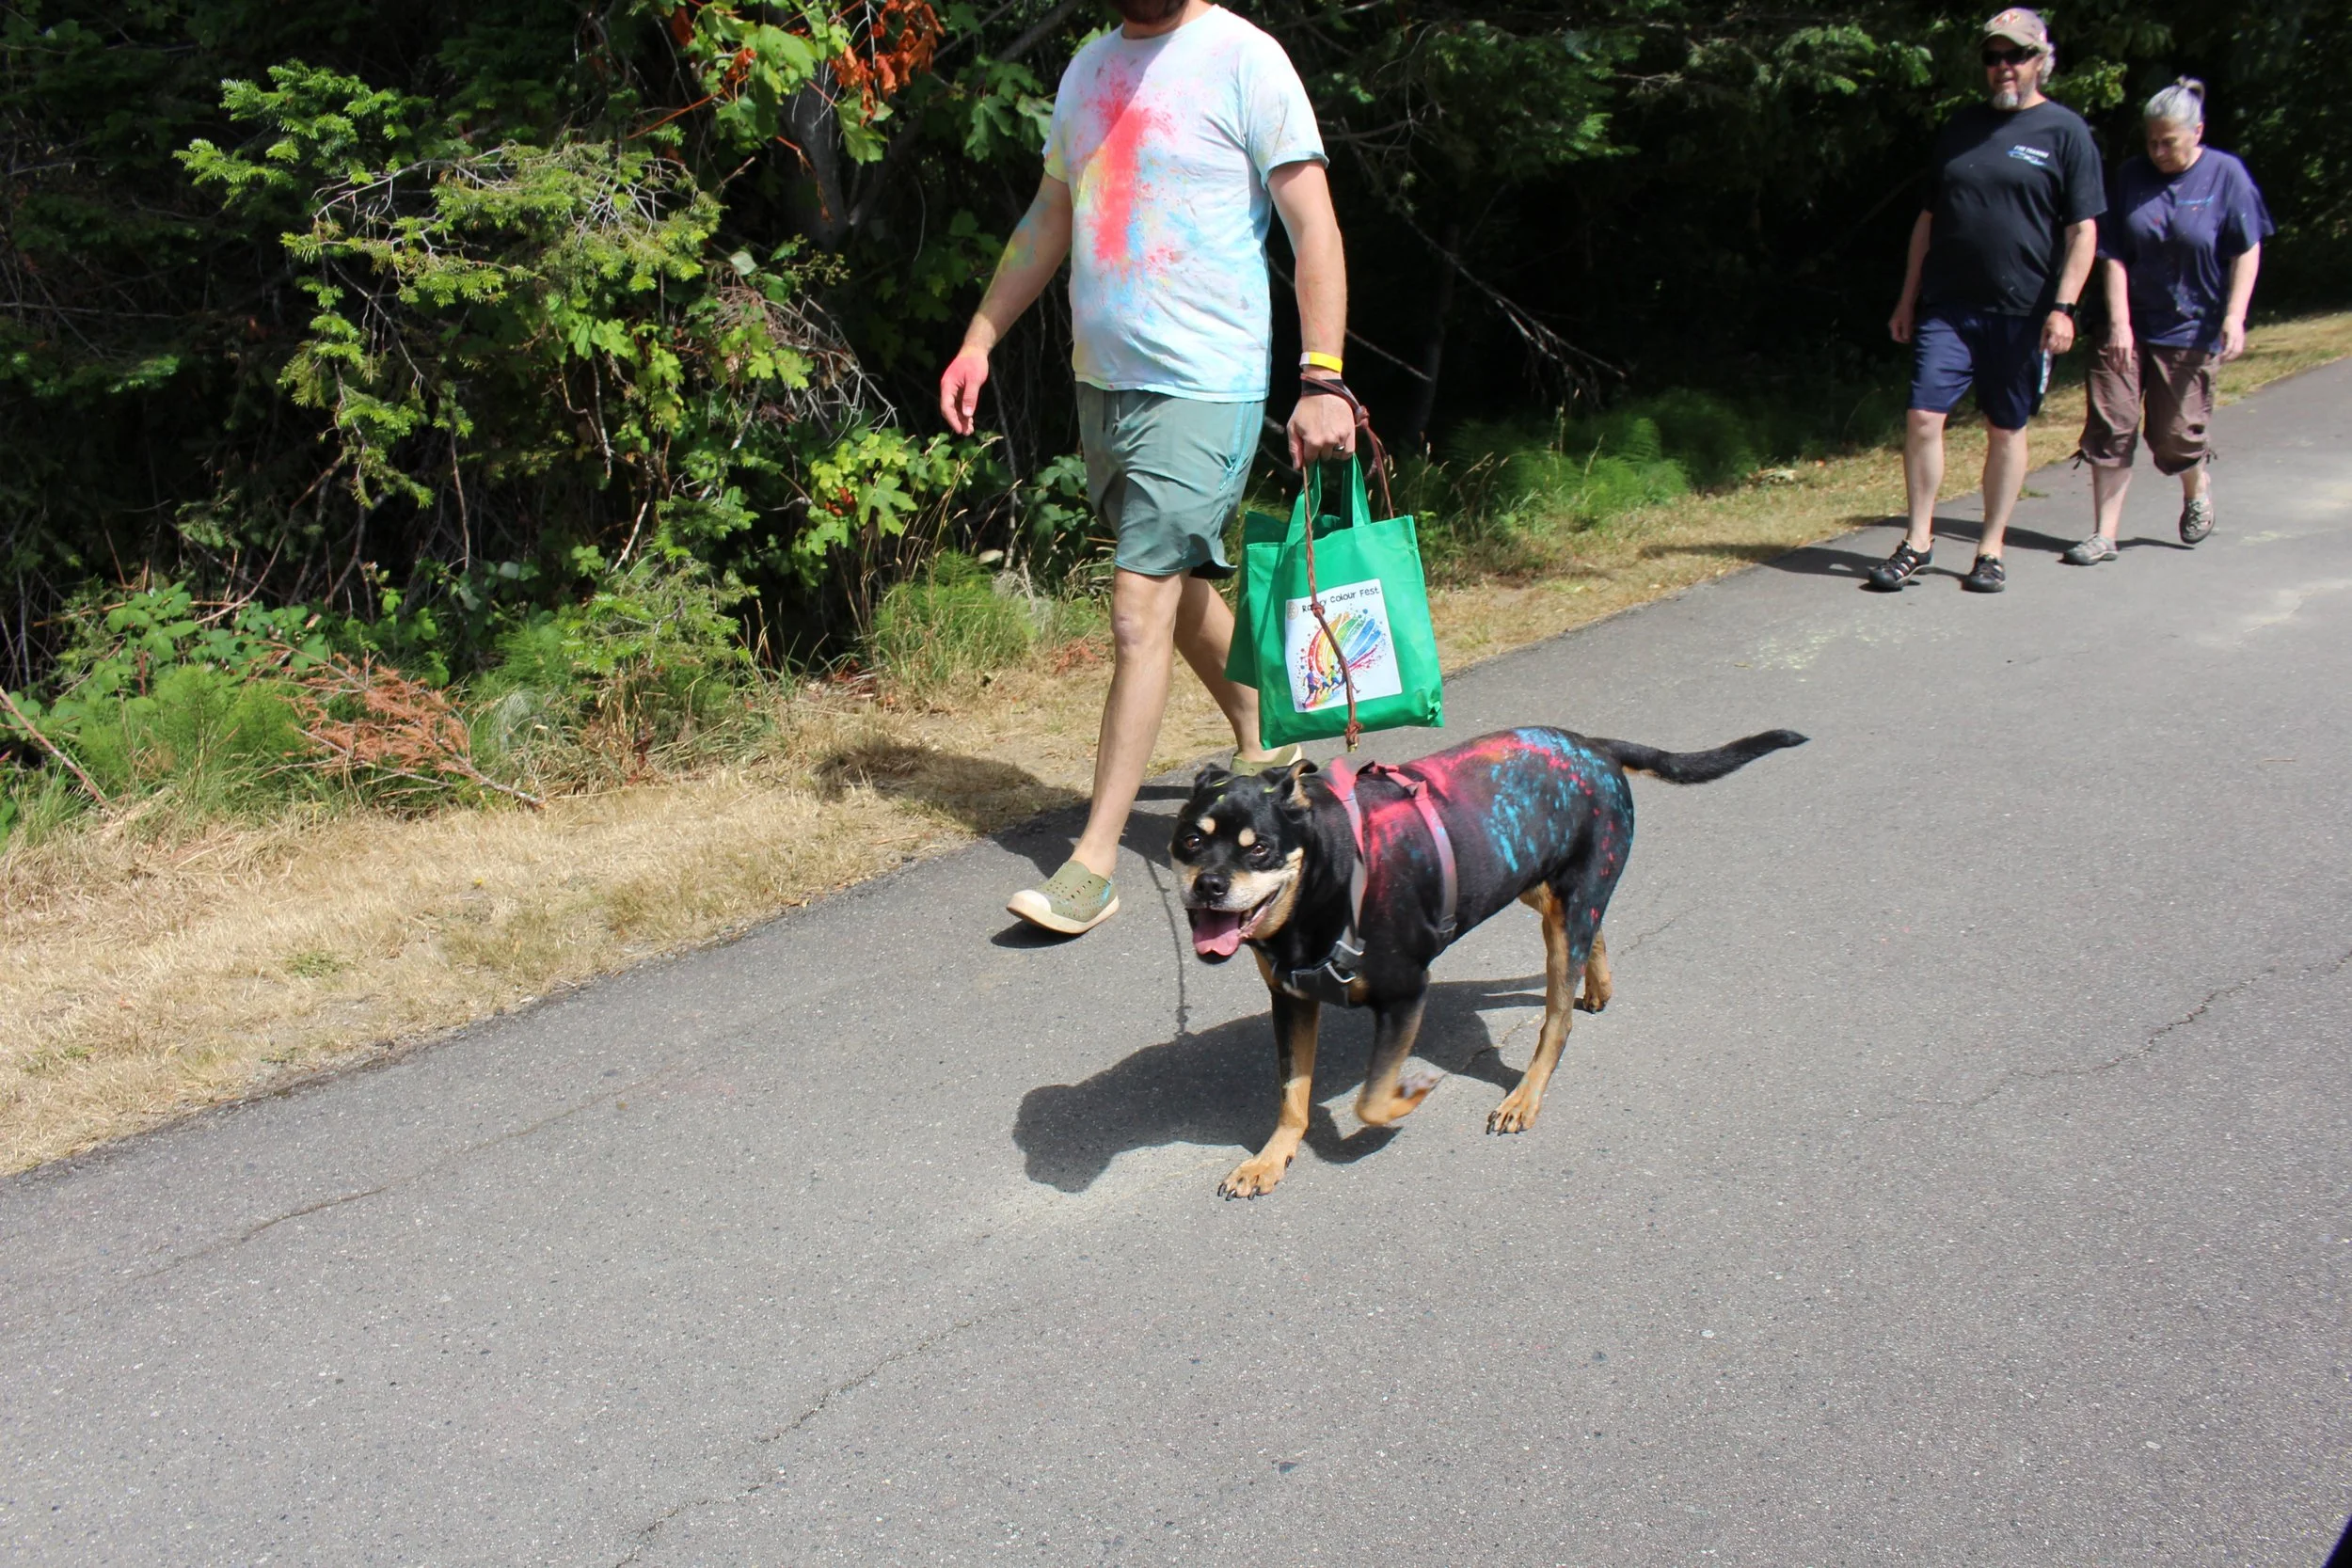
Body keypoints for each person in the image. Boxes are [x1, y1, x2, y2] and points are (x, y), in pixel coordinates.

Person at [939, 0, 1355, 936]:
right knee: (1175, 586)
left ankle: (1090, 865)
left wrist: (1321, 376)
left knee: (1137, 604)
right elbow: (1050, 214)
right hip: (1106, 386)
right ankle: (1264, 735)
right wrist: (979, 338)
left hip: (1203, 385)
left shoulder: (1244, 60)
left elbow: (1314, 227)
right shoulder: (1087, 70)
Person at [1874, 8, 2105, 594]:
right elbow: (1927, 221)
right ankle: (1918, 541)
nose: (2003, 67)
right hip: (1948, 306)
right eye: (1993, 57)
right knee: (1924, 417)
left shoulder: (2065, 132)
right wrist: (1908, 298)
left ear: (2040, 62)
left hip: (2022, 311)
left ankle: (1990, 548)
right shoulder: (1960, 128)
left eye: (2016, 56)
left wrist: (2064, 308)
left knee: (2006, 427)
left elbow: (2083, 232)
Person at [2062, 78, 2272, 564]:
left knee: (2173, 436)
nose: (2157, 151)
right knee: (2112, 424)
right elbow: (2113, 252)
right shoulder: (2132, 176)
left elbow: (2247, 249)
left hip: (2190, 327)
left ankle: (2196, 487)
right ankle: (2103, 536)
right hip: (2128, 325)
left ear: (2197, 132)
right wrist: (2118, 323)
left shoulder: (2226, 175)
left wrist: (2235, 317)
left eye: (2168, 142)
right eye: (2151, 141)